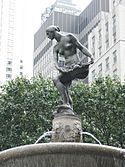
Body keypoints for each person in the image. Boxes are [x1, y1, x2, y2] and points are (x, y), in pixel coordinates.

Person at [46, 25, 94, 109]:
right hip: (67, 68)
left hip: (76, 65)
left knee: (56, 79)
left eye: (48, 33)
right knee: (65, 88)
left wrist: (90, 56)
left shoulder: (69, 37)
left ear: (52, 31)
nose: (47, 36)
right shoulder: (55, 47)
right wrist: (59, 68)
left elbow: (81, 47)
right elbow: (55, 61)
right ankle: (68, 105)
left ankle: (66, 102)